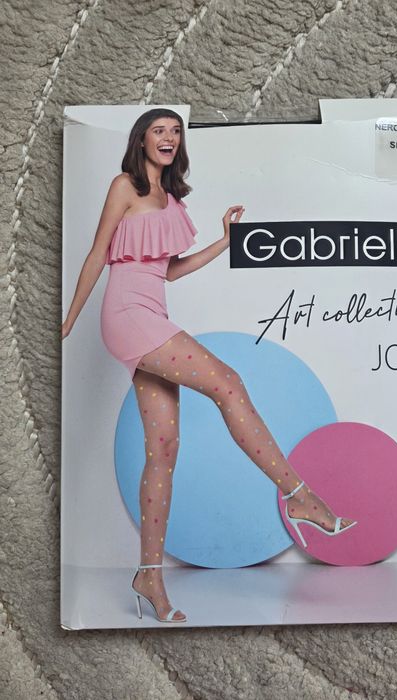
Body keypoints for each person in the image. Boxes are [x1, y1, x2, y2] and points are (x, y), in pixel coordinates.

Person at [62, 108, 357, 624]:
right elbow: (96, 254)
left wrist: (224, 240)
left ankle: (148, 574)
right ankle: (299, 495)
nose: (169, 138)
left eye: (176, 132)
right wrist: (68, 321)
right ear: (141, 139)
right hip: (127, 316)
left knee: (163, 449)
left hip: (153, 313)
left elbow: (170, 271)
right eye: (159, 131)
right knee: (229, 383)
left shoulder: (170, 200)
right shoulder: (124, 186)